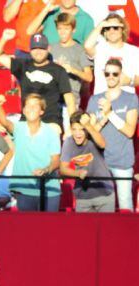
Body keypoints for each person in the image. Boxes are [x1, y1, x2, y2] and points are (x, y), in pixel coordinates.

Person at [0, 30, 76, 131]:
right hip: (26, 122)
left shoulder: (58, 70)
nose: (38, 51)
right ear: (29, 50)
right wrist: (4, 38)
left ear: (48, 49)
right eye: (35, 48)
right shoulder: (22, 65)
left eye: (41, 48)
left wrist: (72, 127)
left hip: (51, 123)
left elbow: (69, 99)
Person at [86, 59, 139, 212]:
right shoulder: (95, 99)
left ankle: (128, 236)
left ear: (120, 75)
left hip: (122, 161)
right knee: (103, 208)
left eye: (115, 73)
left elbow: (130, 131)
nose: (111, 76)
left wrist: (110, 113)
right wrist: (102, 120)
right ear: (103, 74)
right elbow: (91, 131)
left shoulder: (130, 99)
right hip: (100, 162)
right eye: (107, 73)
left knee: (125, 207)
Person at [0, 93, 62, 212]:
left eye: (35, 106)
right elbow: (4, 122)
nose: (31, 108)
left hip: (49, 189)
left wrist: (46, 170)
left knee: (49, 228)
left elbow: (56, 161)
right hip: (24, 189)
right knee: (27, 228)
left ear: (42, 111)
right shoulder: (18, 128)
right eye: (28, 105)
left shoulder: (51, 131)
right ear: (23, 110)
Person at [59, 111, 113, 213]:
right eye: (74, 129)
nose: (78, 134)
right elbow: (62, 169)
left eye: (82, 129)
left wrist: (88, 125)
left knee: (107, 228)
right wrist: (77, 173)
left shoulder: (93, 136)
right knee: (84, 229)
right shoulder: (69, 142)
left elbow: (102, 144)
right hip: (83, 196)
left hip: (104, 194)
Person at [84, 13, 139, 95]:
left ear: (122, 30)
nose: (112, 31)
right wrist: (101, 24)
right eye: (108, 28)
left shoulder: (134, 51)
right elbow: (87, 46)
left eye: (116, 28)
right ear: (104, 31)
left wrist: (129, 81)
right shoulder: (99, 48)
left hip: (127, 102)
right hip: (102, 101)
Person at [47, 13, 93, 102]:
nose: (62, 32)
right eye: (60, 28)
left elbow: (89, 77)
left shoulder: (80, 50)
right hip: (52, 99)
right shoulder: (50, 48)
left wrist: (71, 69)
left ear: (73, 30)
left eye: (66, 29)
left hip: (71, 101)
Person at [24, 0, 94, 46]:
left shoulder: (86, 20)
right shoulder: (50, 13)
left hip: (70, 65)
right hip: (47, 63)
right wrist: (46, 9)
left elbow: (88, 49)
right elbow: (30, 32)